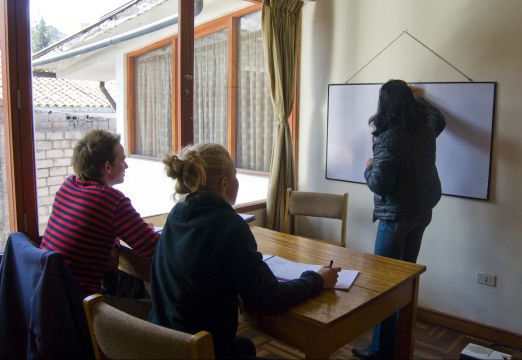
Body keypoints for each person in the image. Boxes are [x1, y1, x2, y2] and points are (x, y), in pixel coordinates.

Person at [148, 143, 341, 359]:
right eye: (235, 175)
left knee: (245, 346)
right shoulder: (229, 225)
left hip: (162, 342)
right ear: (224, 183)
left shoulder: (177, 213)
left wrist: (231, 285)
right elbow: (269, 299)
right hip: (199, 350)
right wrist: (317, 279)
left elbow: (200, 268)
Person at [353, 80, 445, 360]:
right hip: (422, 212)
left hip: (396, 219)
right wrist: (417, 98)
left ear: (385, 105)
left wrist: (368, 168)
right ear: (408, 102)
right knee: (404, 279)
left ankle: (381, 350)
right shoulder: (426, 127)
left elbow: (380, 184)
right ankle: (399, 344)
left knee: (384, 283)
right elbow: (438, 117)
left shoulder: (389, 137)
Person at [40, 129, 160, 295]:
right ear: (107, 167)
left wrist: (114, 241)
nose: (126, 166)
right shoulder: (111, 200)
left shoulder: (69, 186)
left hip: (51, 292)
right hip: (79, 302)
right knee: (151, 298)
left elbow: (95, 229)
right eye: (122, 160)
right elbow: (152, 246)